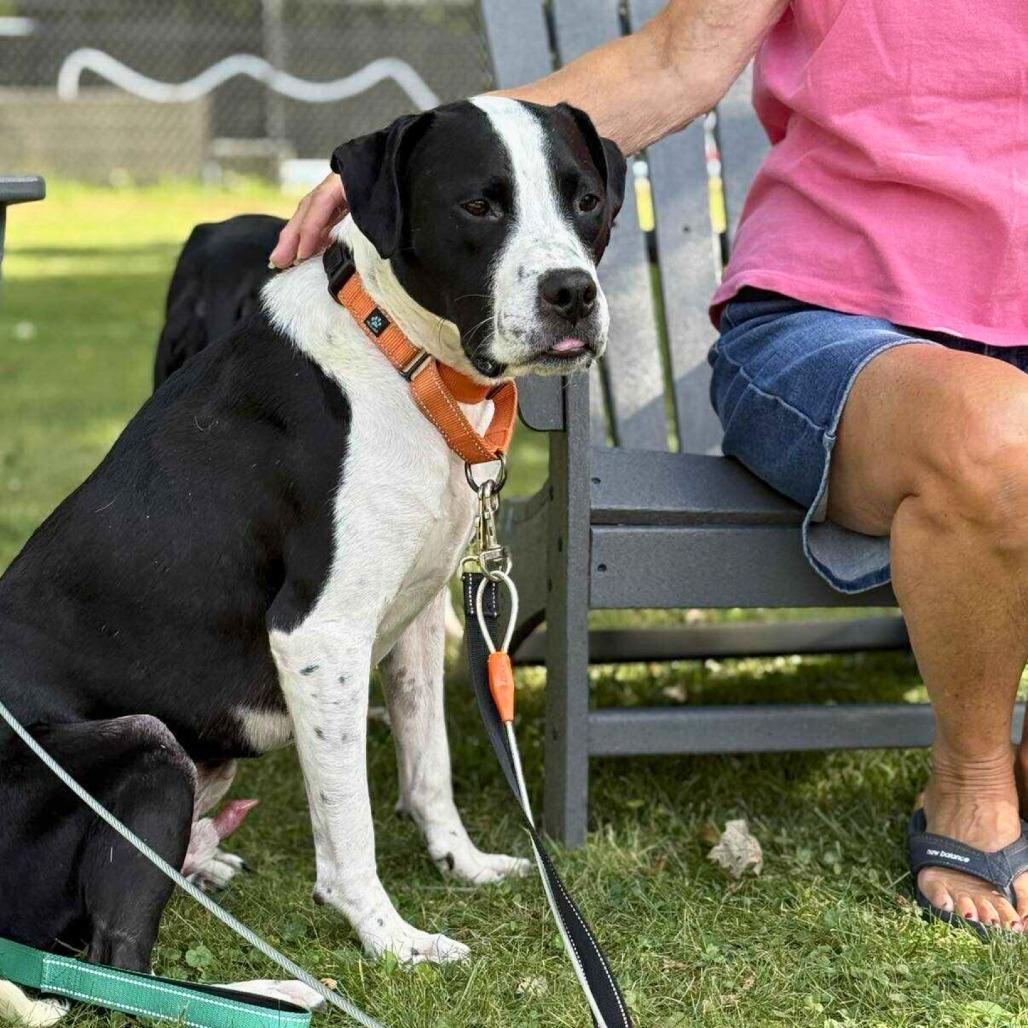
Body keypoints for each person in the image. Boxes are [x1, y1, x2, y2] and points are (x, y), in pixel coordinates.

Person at [269, 0, 1028, 934]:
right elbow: (674, 58)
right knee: (1001, 433)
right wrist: (397, 172)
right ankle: (976, 777)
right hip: (838, 327)